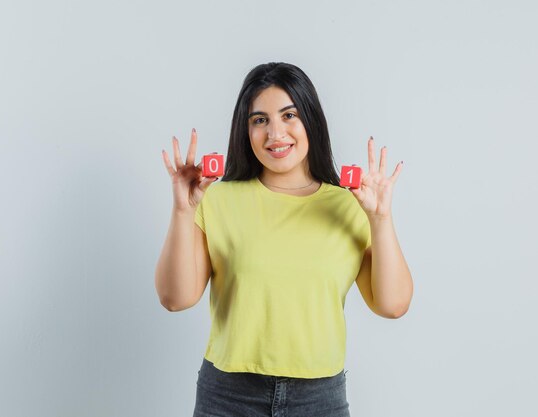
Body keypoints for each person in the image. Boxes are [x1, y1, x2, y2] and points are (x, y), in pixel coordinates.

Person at [155, 62, 413, 417]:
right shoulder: (216, 199)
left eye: (288, 115)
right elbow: (175, 298)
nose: (275, 133)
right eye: (259, 120)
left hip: (319, 399)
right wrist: (183, 211)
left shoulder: (351, 204)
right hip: (229, 397)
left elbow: (393, 305)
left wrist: (381, 219)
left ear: (311, 119)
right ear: (245, 130)